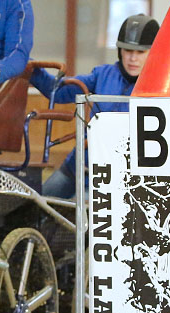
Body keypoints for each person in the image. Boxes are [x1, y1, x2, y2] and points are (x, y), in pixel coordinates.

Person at [31, 13, 160, 199]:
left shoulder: (162, 89)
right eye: (127, 51)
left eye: (140, 52)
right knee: (38, 203)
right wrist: (30, 69)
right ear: (119, 51)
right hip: (77, 166)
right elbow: (58, 91)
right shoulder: (102, 74)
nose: (133, 58)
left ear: (154, 53)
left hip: (119, 178)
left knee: (85, 221)